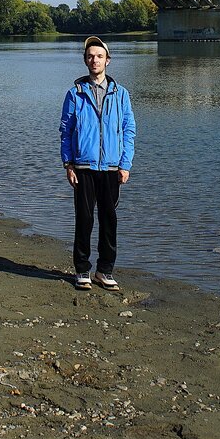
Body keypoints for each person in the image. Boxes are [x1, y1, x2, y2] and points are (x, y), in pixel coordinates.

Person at [59, 36, 136, 291]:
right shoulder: (75, 94)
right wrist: (68, 164)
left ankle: (105, 270)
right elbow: (66, 131)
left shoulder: (121, 94)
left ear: (108, 61)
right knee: (84, 219)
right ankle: (82, 270)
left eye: (99, 56)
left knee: (109, 220)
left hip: (112, 167)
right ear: (85, 61)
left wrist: (125, 165)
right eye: (90, 56)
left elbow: (128, 131)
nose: (95, 60)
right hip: (83, 166)